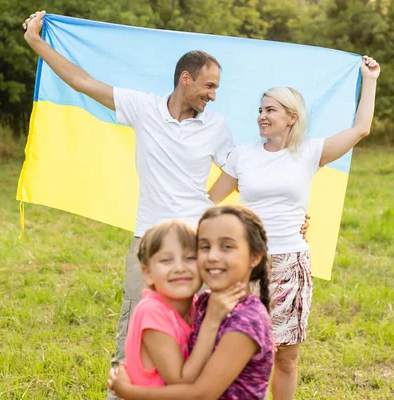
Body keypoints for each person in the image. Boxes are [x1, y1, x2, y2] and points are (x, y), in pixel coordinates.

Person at [22, 11, 307, 399]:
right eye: (208, 85)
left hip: (197, 242)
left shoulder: (216, 126)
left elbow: (245, 171)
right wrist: (36, 41)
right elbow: (82, 81)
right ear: (184, 79)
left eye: (217, 88)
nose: (212, 94)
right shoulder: (143, 108)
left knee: (200, 332)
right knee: (135, 329)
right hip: (151, 238)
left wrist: (284, 216)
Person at [207, 56, 381, 399]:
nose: (262, 115)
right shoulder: (243, 155)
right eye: (260, 109)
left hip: (291, 264)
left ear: (291, 117)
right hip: (246, 267)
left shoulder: (310, 152)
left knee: (285, 357)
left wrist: (370, 79)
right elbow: (209, 200)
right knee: (238, 353)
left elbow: (361, 129)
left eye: (271, 109)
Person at [108, 205, 275, 399]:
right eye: (204, 247)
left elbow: (202, 395)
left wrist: (129, 392)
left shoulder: (247, 320)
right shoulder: (204, 302)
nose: (212, 256)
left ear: (254, 256)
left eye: (227, 246)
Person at [125, 219, 246, 387]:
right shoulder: (152, 311)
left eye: (190, 258)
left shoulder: (197, 305)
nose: (179, 268)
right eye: (166, 260)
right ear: (148, 273)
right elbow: (180, 380)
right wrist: (211, 321)